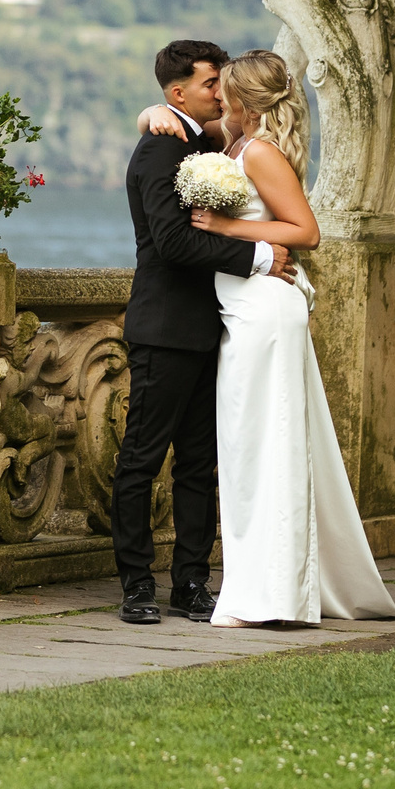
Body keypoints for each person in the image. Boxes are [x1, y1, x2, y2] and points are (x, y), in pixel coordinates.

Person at [143, 51, 395, 626]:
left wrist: (228, 227)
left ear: (242, 102)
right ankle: (265, 584)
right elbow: (173, 116)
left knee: (264, 445)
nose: (217, 98)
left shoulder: (261, 152)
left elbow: (306, 232)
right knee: (247, 449)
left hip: (266, 309)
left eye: (224, 92)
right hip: (241, 309)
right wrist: (150, 113)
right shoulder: (235, 142)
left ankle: (274, 593)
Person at [111, 39, 292, 626]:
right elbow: (173, 242)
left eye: (222, 83)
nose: (223, 92)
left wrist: (149, 109)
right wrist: (262, 258)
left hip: (211, 326)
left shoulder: (204, 141)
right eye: (212, 83)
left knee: (198, 465)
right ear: (178, 92)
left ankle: (191, 585)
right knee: (142, 460)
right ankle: (136, 586)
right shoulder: (159, 152)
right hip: (164, 327)